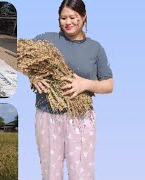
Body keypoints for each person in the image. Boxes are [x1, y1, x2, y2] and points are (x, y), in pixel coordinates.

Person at [31, 0, 113, 179]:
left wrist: (85, 84)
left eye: (73, 17)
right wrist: (33, 76)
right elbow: (22, 57)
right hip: (48, 116)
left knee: (81, 172)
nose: (68, 22)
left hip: (81, 118)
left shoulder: (95, 48)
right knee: (50, 171)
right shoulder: (46, 40)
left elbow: (108, 85)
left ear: (84, 17)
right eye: (63, 18)